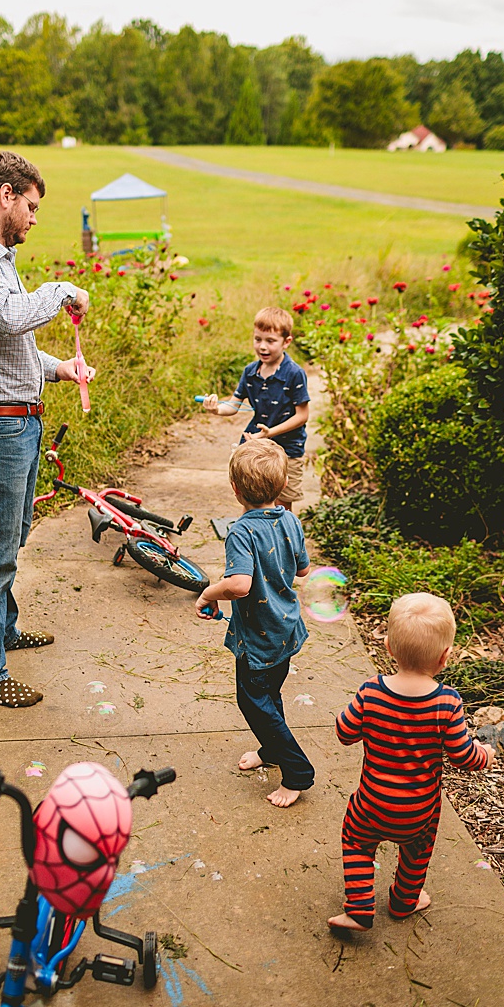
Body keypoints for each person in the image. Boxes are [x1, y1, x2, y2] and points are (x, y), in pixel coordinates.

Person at [0, 150, 94, 709]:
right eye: (29, 206)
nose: (33, 217)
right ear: (5, 195)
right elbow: (12, 316)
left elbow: (12, 343)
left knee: (12, 536)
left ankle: (1, 629)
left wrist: (60, 369)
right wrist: (61, 289)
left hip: (17, 421)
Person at [327, 593, 495, 932]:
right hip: (419, 809)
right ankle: (405, 901)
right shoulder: (447, 703)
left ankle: (359, 908)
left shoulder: (370, 692)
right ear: (446, 656)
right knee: (417, 853)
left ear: (388, 647)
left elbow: (344, 733)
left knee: (356, 842)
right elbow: (464, 757)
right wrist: (485, 755)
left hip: (372, 802)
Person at [195, 438, 313, 807]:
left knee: (252, 701)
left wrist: (208, 594)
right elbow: (304, 569)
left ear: (235, 489)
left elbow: (240, 585)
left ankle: (297, 772)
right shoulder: (291, 519)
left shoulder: (241, 531)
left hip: (260, 638)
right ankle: (272, 750)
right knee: (270, 695)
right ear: (281, 486)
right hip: (285, 628)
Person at [200, 306, 309, 510]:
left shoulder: (295, 373)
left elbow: (302, 416)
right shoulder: (250, 371)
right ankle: (248, 537)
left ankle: (281, 539)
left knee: (282, 504)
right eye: (258, 339)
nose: (263, 347)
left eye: (270, 341)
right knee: (251, 497)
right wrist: (216, 409)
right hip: (255, 446)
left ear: (287, 342)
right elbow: (234, 404)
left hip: (288, 448)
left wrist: (270, 433)